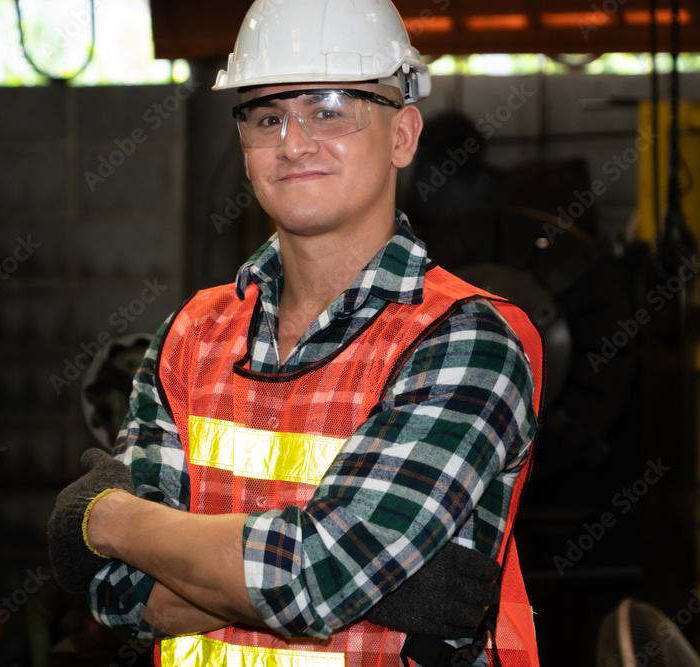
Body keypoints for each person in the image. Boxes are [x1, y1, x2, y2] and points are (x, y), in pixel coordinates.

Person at [48, 1, 544, 665]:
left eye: (331, 107)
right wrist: (339, 579)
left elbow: (315, 579)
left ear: (403, 135)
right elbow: (117, 594)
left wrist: (108, 520)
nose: (294, 142)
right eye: (266, 116)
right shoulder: (190, 335)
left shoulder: (464, 343)